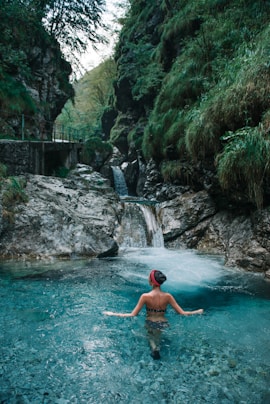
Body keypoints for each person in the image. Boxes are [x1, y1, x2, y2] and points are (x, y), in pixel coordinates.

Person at [103, 269, 204, 360]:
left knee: (150, 337)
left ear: (151, 282)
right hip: (163, 323)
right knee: (158, 336)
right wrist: (197, 311)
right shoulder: (168, 296)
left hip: (150, 322)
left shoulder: (145, 296)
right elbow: (182, 313)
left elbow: (132, 315)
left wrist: (112, 313)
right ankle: (157, 346)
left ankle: (154, 348)